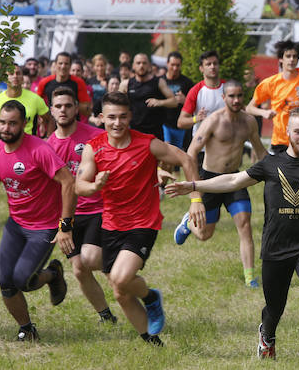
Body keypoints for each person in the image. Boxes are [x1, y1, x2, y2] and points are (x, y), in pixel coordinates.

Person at [166, 107, 299, 365]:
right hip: (276, 247)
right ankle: (267, 337)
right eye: (297, 132)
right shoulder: (272, 164)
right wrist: (194, 185)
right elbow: (232, 181)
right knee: (274, 308)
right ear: (287, 132)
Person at [75, 91, 205, 346]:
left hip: (143, 222)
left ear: (131, 117)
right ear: (101, 118)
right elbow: (80, 186)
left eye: (123, 117)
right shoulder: (94, 148)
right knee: (119, 290)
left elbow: (186, 159)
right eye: (111, 117)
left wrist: (196, 198)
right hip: (111, 224)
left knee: (121, 278)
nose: (117, 123)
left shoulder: (147, 144)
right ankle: (151, 340)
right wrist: (95, 186)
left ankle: (150, 298)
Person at [0, 100, 75, 342]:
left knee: (23, 280)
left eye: (12, 123)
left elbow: (68, 182)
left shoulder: (40, 150)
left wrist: (65, 227)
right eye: (2, 122)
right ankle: (27, 329)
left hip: (45, 227)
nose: (6, 128)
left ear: (25, 124)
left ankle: (53, 273)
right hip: (16, 225)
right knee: (6, 282)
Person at [173, 81, 267, 289]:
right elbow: (191, 153)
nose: (236, 100)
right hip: (211, 181)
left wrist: (277, 169)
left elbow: (260, 152)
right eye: (231, 96)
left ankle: (250, 277)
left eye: (239, 96)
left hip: (234, 179)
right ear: (223, 98)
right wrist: (195, 186)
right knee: (205, 234)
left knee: (244, 224)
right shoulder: (213, 122)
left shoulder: (249, 122)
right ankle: (188, 223)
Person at [46, 88, 118, 324]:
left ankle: (122, 262)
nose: (63, 110)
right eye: (58, 106)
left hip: (100, 207)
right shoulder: (47, 146)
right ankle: (106, 316)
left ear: (77, 108)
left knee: (90, 257)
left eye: (68, 106)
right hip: (69, 214)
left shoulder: (95, 136)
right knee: (78, 269)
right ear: (51, 110)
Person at [245, 40, 299, 154]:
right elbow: (249, 108)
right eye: (288, 56)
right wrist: (263, 113)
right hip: (280, 140)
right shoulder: (271, 82)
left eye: (295, 56)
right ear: (281, 59)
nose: (291, 60)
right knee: (280, 172)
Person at [118, 53, 178, 141]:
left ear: (149, 66)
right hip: (134, 133)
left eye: (144, 63)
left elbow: (174, 102)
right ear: (133, 66)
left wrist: (160, 102)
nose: (141, 66)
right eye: (138, 63)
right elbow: (117, 106)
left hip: (154, 133)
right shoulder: (126, 84)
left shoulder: (158, 82)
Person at [0, 65, 50, 139]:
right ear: (5, 79)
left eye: (18, 73)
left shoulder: (36, 99)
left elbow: (50, 119)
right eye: (11, 74)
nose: (15, 76)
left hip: (29, 146)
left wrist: (48, 138)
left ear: (22, 78)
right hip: (4, 146)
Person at [177, 51, 225, 140]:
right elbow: (181, 122)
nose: (212, 66)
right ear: (201, 68)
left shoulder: (228, 88)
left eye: (215, 63)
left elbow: (241, 112)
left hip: (225, 145)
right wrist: (196, 118)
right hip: (202, 147)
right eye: (208, 64)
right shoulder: (195, 91)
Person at [34, 52, 91, 121]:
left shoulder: (78, 82)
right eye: (60, 63)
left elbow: (86, 110)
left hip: (73, 123)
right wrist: (43, 118)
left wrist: (69, 104)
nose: (63, 66)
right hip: (51, 124)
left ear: (70, 66)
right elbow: (36, 104)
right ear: (55, 65)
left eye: (66, 64)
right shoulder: (45, 82)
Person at [161, 51, 193, 151]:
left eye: (177, 65)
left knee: (176, 155)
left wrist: (185, 101)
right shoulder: (159, 81)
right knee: (166, 151)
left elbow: (195, 105)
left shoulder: (187, 83)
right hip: (163, 124)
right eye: (172, 65)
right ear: (167, 64)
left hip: (180, 126)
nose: (175, 68)